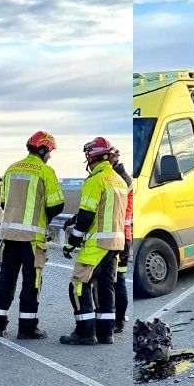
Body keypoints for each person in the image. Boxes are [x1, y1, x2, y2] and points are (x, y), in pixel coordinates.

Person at [0, 131, 62, 340]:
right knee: (32, 283)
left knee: (6, 280)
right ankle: (27, 328)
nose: (50, 156)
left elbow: (3, 202)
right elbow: (56, 205)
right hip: (32, 239)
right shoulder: (45, 171)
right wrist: (42, 217)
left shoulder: (11, 169)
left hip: (9, 235)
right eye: (49, 152)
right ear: (43, 149)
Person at [60, 137, 128, 346]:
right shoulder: (119, 181)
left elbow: (87, 215)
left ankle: (85, 332)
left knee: (79, 285)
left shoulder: (95, 180)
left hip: (97, 243)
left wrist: (72, 242)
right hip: (117, 243)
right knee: (106, 286)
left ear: (91, 157)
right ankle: (106, 333)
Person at [109, 147, 133, 334]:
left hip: (115, 236)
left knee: (114, 280)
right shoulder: (125, 178)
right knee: (120, 279)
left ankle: (115, 321)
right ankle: (119, 321)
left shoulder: (117, 180)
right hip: (125, 237)